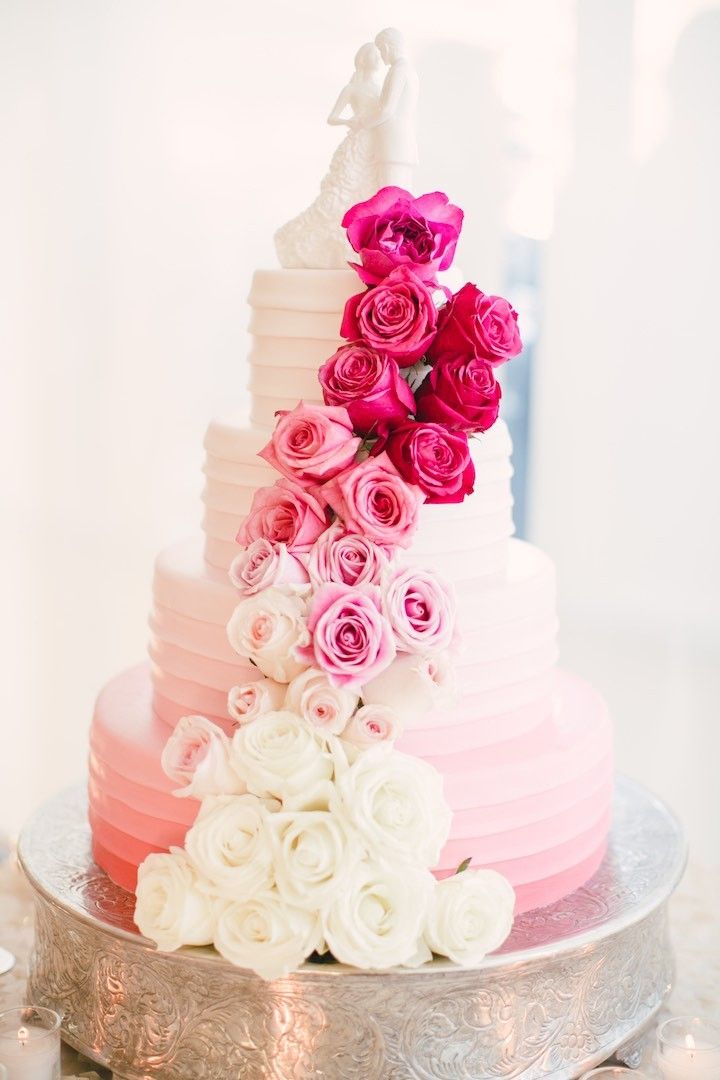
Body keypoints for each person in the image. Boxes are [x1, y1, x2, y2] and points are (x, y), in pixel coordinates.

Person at [274, 42, 383, 268]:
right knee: (342, 192)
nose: (377, 59)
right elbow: (332, 117)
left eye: (377, 55)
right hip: (357, 140)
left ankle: (359, 243)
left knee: (366, 191)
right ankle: (304, 242)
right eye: (372, 55)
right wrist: (351, 121)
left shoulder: (379, 88)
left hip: (374, 145)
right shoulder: (352, 89)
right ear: (363, 59)